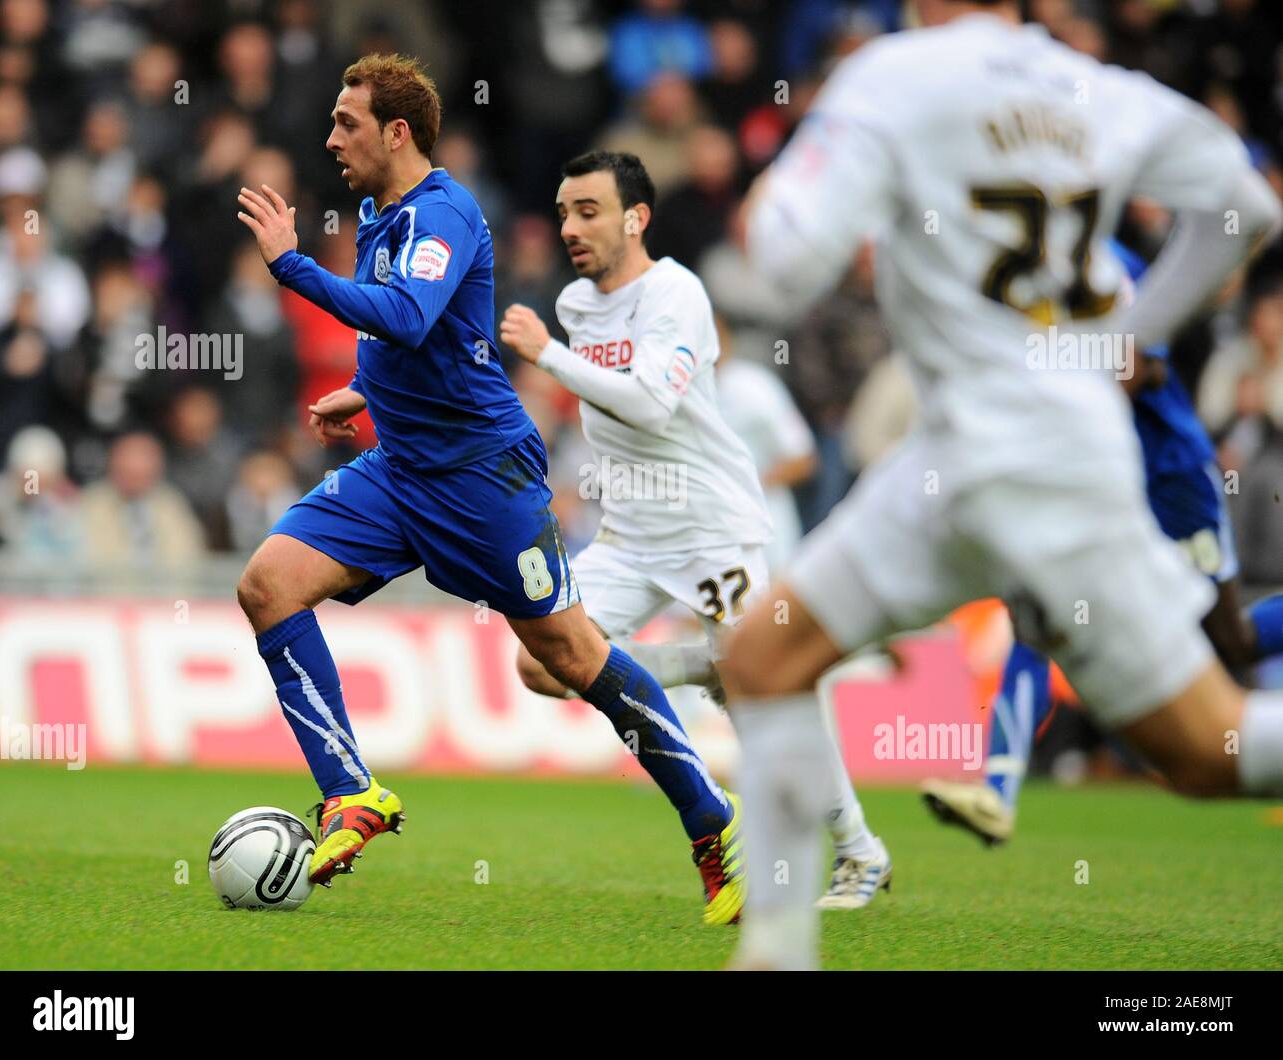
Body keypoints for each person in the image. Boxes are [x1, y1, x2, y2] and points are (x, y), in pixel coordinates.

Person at [718, 0, 1283, 970]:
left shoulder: (893, 75)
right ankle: (774, 957)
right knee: (761, 657)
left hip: (1007, 460)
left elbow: (786, 260)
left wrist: (763, 206)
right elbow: (1249, 209)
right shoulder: (1095, 89)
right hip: (993, 454)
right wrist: (1128, 334)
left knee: (1206, 750)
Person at [233, 55, 705, 904]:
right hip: (402, 470)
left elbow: (411, 316)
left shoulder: (444, 212)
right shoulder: (382, 215)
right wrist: (365, 388)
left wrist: (291, 266)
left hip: (483, 478)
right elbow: (435, 337)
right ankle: (351, 792)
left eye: (347, 123)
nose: (330, 137)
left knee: (571, 655)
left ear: (397, 131)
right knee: (267, 585)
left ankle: (715, 827)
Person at [500, 151, 890, 919]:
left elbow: (649, 405)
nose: (571, 227)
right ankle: (706, 663)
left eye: (589, 211)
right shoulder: (578, 304)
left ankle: (861, 853)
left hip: (709, 527)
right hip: (629, 532)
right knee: (539, 663)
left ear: (634, 218)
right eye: (564, 212)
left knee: (770, 696)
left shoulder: (677, 291)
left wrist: (546, 355)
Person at [924, 240, 1283, 844]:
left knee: (1234, 640)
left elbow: (1145, 366)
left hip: (1171, 478)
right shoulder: (1013, 265)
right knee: (1036, 613)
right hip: (1096, 482)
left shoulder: (1108, 265)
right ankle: (997, 789)